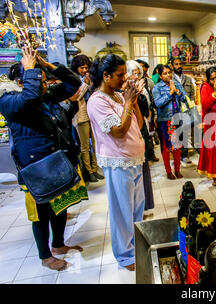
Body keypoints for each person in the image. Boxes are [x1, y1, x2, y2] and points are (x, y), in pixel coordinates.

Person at [0, 45, 87, 271]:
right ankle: (45, 256)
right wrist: (30, 69)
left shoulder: (43, 95)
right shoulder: (9, 101)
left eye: (43, 77)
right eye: (39, 77)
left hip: (55, 162)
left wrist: (50, 66)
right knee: (40, 214)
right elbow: (28, 99)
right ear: (22, 81)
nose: (44, 83)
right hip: (34, 168)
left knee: (59, 206)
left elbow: (73, 84)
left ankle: (58, 245)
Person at [87, 54, 146, 271]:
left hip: (135, 160)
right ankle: (124, 255)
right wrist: (129, 101)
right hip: (118, 162)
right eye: (120, 75)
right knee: (122, 211)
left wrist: (134, 100)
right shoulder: (97, 101)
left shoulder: (119, 97)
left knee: (136, 209)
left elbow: (137, 123)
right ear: (105, 75)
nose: (124, 79)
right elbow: (119, 132)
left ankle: (136, 245)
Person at [126, 59, 155, 217]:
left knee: (142, 173)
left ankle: (142, 208)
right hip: (130, 138)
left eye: (138, 74)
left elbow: (144, 112)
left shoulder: (141, 91)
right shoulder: (124, 93)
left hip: (141, 130)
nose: (136, 77)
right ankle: (135, 210)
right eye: (133, 73)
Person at [70, 54, 103, 183]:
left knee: (95, 144)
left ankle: (95, 169)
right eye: (81, 68)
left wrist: (90, 84)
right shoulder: (73, 79)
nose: (84, 70)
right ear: (76, 68)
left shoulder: (89, 78)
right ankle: (88, 172)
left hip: (92, 115)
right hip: (81, 116)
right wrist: (85, 84)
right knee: (84, 146)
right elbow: (76, 97)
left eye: (86, 68)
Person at [152, 65, 187, 180]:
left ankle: (177, 170)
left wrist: (177, 91)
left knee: (177, 146)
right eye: (165, 73)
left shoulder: (176, 84)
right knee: (167, 147)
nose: (168, 75)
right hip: (165, 120)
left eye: (169, 73)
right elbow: (158, 103)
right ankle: (168, 171)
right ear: (160, 76)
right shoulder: (157, 88)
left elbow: (184, 99)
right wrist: (170, 93)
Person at [171, 57, 196, 164]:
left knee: (185, 132)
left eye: (180, 64)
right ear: (172, 66)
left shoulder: (188, 79)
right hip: (174, 110)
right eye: (176, 64)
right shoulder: (170, 79)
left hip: (186, 110)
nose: (179, 66)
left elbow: (192, 94)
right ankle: (176, 154)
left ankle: (184, 155)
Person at [136, 59, 159, 160]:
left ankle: (151, 153)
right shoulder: (133, 82)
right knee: (142, 135)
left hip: (149, 110)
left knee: (150, 133)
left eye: (143, 69)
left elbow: (151, 96)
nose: (142, 70)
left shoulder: (148, 81)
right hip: (139, 112)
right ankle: (144, 156)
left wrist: (152, 111)